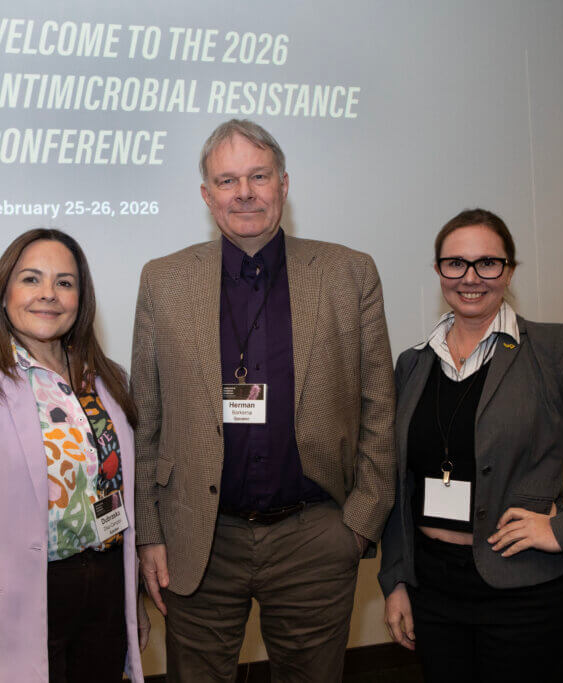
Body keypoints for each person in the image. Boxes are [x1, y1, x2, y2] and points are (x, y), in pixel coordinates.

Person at [131, 119, 396, 682]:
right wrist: (151, 533)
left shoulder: (349, 273)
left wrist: (360, 522)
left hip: (315, 536)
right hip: (199, 539)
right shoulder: (163, 280)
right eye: (227, 180)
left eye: (259, 175)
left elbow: (380, 406)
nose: (244, 192)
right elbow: (146, 418)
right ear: (207, 196)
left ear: (284, 183)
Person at [379, 208, 563, 682]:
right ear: (438, 271)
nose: (471, 278)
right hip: (434, 591)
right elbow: (399, 481)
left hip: (531, 591)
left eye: (487, 263)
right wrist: (396, 580)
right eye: (456, 264)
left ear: (508, 271)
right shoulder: (412, 364)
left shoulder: (554, 350)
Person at [0, 229, 148, 683]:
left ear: (81, 299)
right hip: (23, 599)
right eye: (31, 279)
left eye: (64, 282)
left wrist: (129, 600)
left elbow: (119, 494)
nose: (48, 294)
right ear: (3, 294)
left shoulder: (105, 379)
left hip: (104, 591)